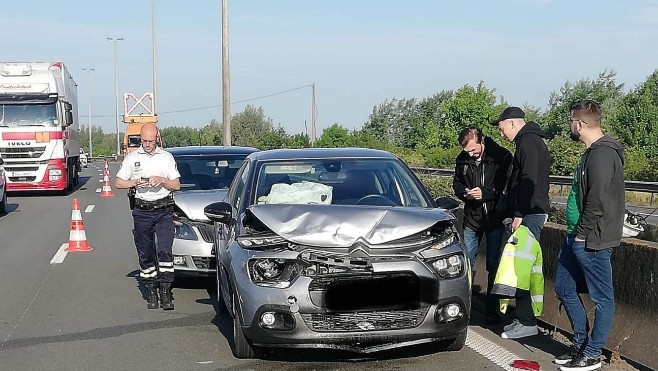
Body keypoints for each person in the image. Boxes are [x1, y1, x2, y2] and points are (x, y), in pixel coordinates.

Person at [553, 100, 624, 371]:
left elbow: (598, 199)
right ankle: (581, 343)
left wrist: (582, 234)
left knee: (602, 298)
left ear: (580, 124)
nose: (570, 125)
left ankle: (593, 353)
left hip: (592, 238)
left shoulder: (603, 154)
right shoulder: (591, 152)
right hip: (575, 236)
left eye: (572, 121)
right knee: (563, 288)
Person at [491, 106, 550, 339]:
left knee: (522, 268)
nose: (502, 133)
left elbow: (528, 180)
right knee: (520, 267)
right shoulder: (529, 142)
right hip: (529, 212)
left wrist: (519, 212)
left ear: (512, 123)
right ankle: (523, 318)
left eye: (502, 128)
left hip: (529, 214)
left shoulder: (527, 143)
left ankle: (527, 322)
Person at [115, 123, 181, 310]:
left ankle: (166, 290)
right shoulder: (132, 157)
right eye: (144, 141)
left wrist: (162, 180)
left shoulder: (166, 157)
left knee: (164, 250)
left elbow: (176, 185)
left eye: (151, 141)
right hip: (142, 211)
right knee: (145, 252)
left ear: (157, 139)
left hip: (163, 210)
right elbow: (119, 182)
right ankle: (151, 289)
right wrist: (134, 182)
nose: (147, 144)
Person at [452, 127, 512, 325]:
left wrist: (485, 193)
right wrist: (465, 193)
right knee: (466, 264)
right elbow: (457, 184)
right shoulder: (462, 159)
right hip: (472, 217)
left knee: (493, 264)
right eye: (467, 151)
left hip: (495, 217)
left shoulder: (501, 157)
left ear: (482, 141)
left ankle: (491, 311)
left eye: (473, 150)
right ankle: (464, 308)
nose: (470, 154)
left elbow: (505, 187)